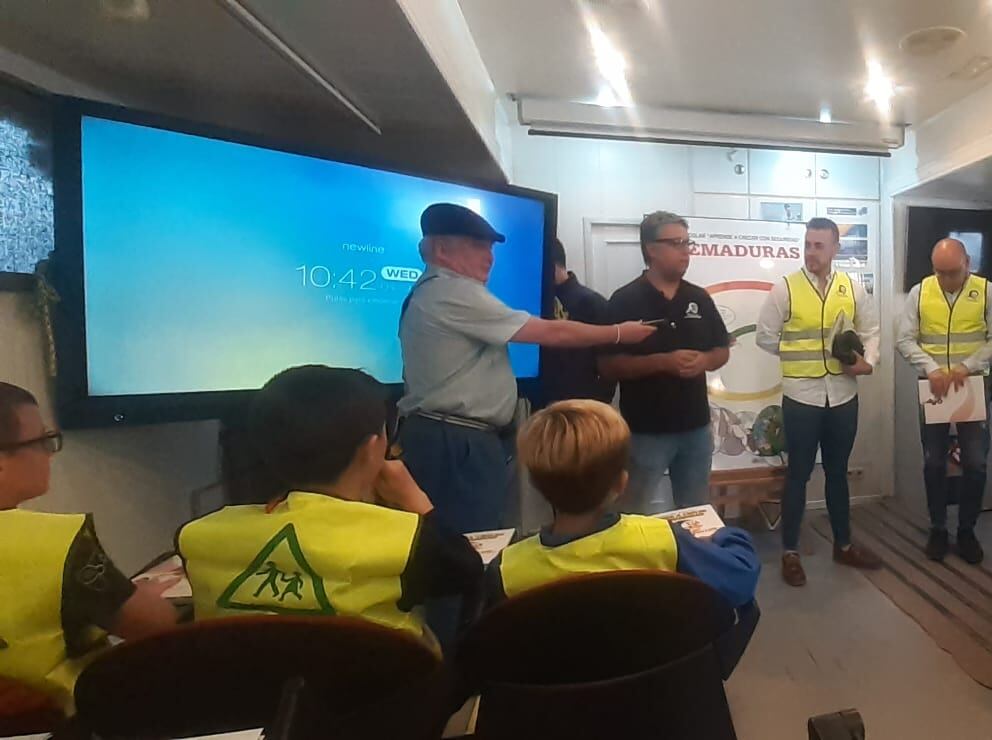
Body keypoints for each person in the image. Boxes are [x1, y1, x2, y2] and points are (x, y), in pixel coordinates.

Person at [398, 202, 655, 536]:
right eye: (477, 247)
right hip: (455, 441)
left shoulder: (434, 290)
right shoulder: (451, 290)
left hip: (458, 437)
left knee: (476, 534)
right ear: (442, 249)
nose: (489, 257)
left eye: (489, 248)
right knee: (470, 540)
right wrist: (620, 332)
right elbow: (550, 331)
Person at [179, 366, 482, 648]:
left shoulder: (197, 536)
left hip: (247, 700)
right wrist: (415, 501)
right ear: (371, 448)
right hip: (377, 698)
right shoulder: (406, 539)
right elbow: (468, 572)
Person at [486, 400, 760, 674]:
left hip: (557, 708)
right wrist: (726, 535)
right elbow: (741, 576)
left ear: (536, 485)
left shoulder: (507, 570)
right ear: (621, 483)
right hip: (659, 695)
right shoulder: (661, 539)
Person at [0, 383, 177, 710]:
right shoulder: (56, 545)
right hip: (66, 722)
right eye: (42, 441)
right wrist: (145, 596)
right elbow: (159, 626)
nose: (50, 454)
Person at [756, 217, 883, 587]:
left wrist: (868, 362)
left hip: (843, 395)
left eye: (819, 245)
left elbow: (871, 330)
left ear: (834, 249)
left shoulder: (852, 287)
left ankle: (843, 545)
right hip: (802, 396)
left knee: (838, 472)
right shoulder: (785, 289)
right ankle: (790, 553)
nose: (811, 252)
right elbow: (765, 337)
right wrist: (803, 354)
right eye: (807, 244)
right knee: (798, 474)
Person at [597, 211, 730, 513]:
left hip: (695, 429)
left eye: (687, 242)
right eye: (675, 243)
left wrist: (705, 360)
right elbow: (607, 366)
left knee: (695, 512)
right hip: (645, 431)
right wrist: (662, 362)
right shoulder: (625, 300)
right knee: (633, 514)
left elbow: (722, 350)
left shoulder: (699, 298)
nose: (685, 251)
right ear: (651, 249)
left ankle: (687, 561)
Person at [895, 238, 992, 563]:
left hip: (971, 385)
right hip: (934, 387)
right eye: (939, 272)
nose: (945, 279)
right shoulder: (920, 292)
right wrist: (930, 369)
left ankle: (967, 530)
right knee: (934, 462)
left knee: (975, 461)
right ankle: (937, 528)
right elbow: (905, 339)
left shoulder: (987, 292)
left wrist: (967, 366)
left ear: (968, 263)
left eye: (953, 272)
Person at [539, 237, 616, 404]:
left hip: (585, 406)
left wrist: (596, 403)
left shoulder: (593, 303)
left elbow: (608, 365)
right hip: (542, 405)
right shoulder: (535, 301)